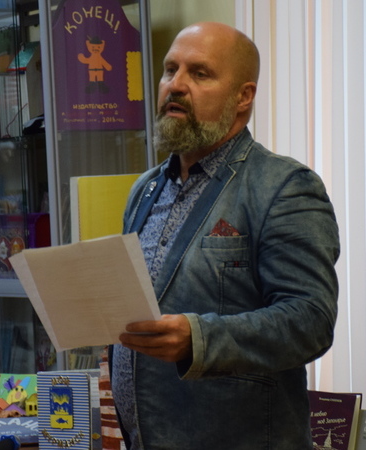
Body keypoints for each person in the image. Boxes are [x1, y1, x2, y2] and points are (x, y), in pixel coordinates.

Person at [111, 22, 341, 449]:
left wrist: (199, 339)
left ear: (243, 96)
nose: (176, 85)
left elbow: (310, 320)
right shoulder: (144, 190)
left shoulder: (283, 187)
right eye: (170, 70)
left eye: (200, 74)